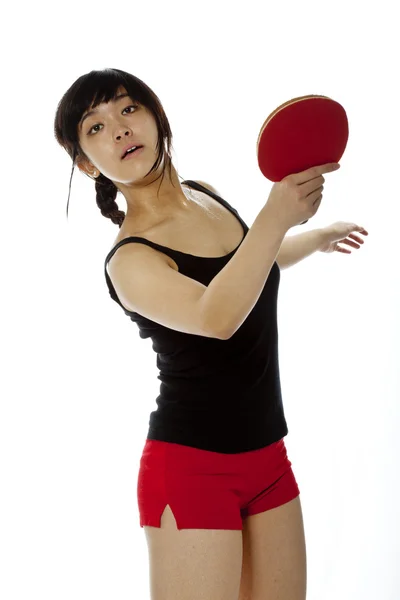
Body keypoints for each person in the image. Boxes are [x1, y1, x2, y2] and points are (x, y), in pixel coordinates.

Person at [54, 68, 341, 600]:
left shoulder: (204, 194)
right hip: (190, 471)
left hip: (269, 458)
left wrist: (315, 236)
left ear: (157, 117)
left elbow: (250, 265)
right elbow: (217, 316)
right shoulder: (131, 260)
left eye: (126, 108)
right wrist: (276, 215)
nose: (116, 129)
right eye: (93, 129)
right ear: (85, 163)